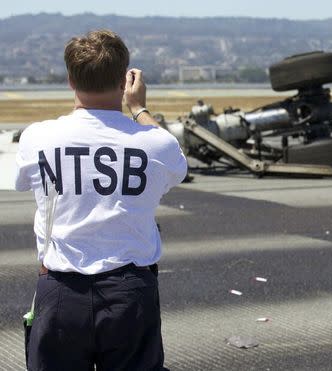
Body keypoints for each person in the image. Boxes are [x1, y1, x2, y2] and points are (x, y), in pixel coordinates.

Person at [15, 30, 187, 370]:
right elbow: (175, 161)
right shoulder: (154, 144)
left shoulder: (38, 137)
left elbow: (23, 182)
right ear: (125, 82)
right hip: (130, 293)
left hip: (60, 289)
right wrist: (139, 109)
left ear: (70, 80)